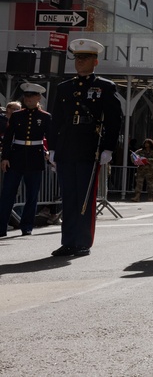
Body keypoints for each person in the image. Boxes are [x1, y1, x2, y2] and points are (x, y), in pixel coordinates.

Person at [49, 39, 123, 257]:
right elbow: (56, 120)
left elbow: (113, 119)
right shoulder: (64, 87)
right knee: (69, 196)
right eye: (78, 58)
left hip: (90, 146)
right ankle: (68, 241)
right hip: (66, 146)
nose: (80, 62)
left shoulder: (105, 87)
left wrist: (109, 148)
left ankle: (82, 241)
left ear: (95, 61)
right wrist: (53, 148)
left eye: (85, 58)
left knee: (85, 197)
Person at [0, 83, 53, 237]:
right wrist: (5, 157)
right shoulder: (17, 115)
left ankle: (27, 226)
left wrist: (51, 153)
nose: (28, 99)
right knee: (7, 193)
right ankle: (1, 227)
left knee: (32, 195)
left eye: (31, 96)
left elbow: (49, 137)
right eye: (26, 96)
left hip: (35, 157)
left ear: (38, 97)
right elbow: (9, 138)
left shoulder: (45, 116)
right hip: (16, 157)